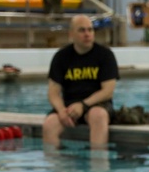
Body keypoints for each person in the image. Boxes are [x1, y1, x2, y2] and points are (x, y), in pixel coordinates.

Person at [43, 15, 120, 150]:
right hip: (69, 106)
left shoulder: (105, 55)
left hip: (97, 104)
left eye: (90, 30)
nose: (87, 34)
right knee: (50, 123)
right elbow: (53, 92)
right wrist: (61, 111)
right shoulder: (61, 57)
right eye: (82, 30)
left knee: (98, 115)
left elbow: (108, 91)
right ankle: (57, 167)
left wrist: (83, 105)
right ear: (71, 34)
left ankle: (98, 164)